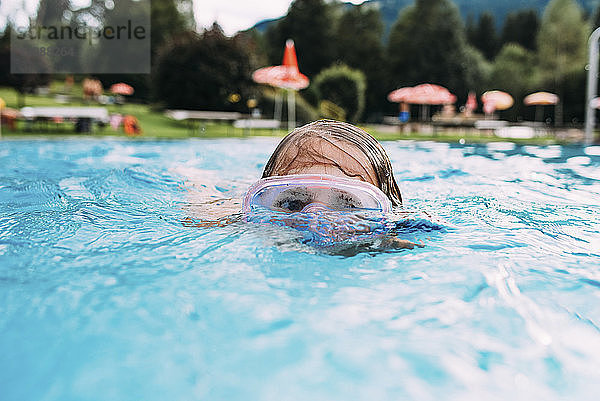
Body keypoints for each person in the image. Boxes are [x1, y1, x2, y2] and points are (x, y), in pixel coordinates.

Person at [184, 120, 421, 249]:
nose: (315, 219)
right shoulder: (234, 222)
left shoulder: (398, 232)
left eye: (347, 204)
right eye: (292, 202)